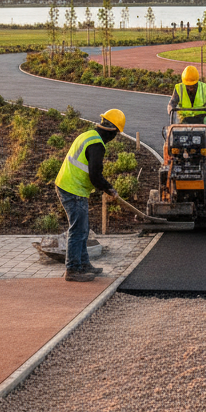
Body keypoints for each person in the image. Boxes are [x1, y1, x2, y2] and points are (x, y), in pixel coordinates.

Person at [55, 109, 126, 282]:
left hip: (69, 185)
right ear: (113, 132)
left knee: (83, 229)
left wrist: (107, 188)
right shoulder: (97, 145)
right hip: (73, 189)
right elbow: (95, 176)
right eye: (116, 134)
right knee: (78, 230)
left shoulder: (88, 135)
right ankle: (72, 269)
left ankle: (84, 264)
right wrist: (109, 189)